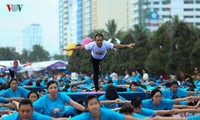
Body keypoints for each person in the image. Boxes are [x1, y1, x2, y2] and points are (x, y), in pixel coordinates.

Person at [63, 33, 135, 92]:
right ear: (95, 40)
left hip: (103, 57)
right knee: (96, 72)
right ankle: (97, 89)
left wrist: (127, 45)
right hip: (94, 58)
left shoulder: (106, 44)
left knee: (108, 66)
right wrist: (69, 49)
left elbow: (116, 46)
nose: (99, 42)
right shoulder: (92, 44)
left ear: (102, 40)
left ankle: (101, 68)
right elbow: (80, 48)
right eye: (97, 40)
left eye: (100, 40)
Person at [69, 95, 138, 120]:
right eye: (91, 104)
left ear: (99, 105)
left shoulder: (106, 112)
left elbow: (124, 117)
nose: (94, 106)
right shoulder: (84, 117)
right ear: (87, 107)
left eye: (96, 103)